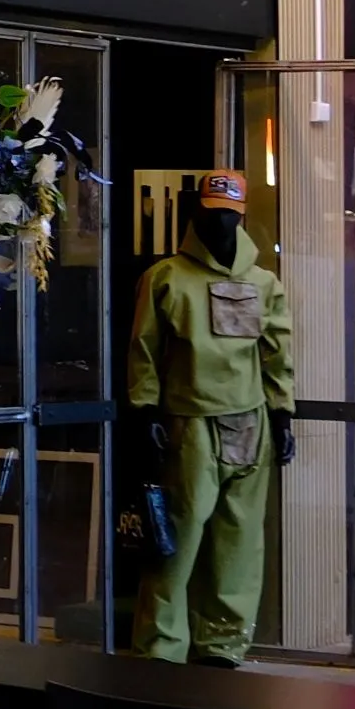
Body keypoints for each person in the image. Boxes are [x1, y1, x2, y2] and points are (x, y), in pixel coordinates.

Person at [124, 168, 294, 667]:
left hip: (250, 421)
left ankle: (223, 644)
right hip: (188, 421)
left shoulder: (264, 283)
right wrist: (143, 408)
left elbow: (277, 354)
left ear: (241, 216)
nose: (220, 222)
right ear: (197, 213)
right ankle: (161, 647)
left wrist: (281, 415)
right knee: (176, 543)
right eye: (212, 212)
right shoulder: (166, 278)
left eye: (229, 214)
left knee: (239, 542)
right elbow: (144, 350)